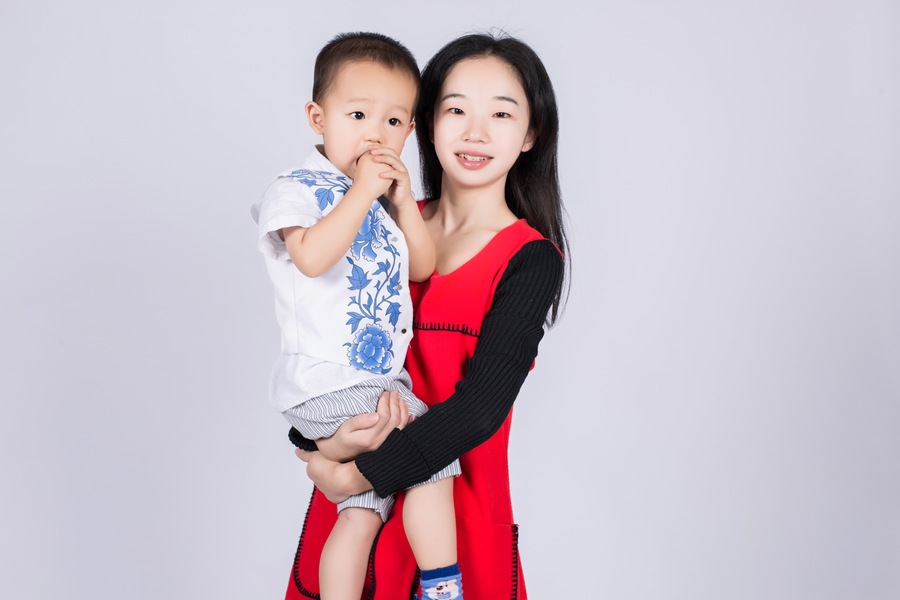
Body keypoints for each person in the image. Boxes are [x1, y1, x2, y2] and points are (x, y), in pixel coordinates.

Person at [286, 31, 570, 599]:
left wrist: (350, 473)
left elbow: (479, 409)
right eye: (456, 109)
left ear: (530, 133)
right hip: (355, 521)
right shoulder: (371, 222)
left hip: (452, 526)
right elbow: (315, 342)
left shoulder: (530, 259)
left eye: (501, 114)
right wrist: (316, 447)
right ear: (427, 124)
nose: (475, 132)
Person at [251, 32, 465, 600]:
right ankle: (444, 587)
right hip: (327, 379)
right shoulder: (296, 189)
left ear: (409, 130)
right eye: (358, 115)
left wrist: (401, 201)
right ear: (317, 118)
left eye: (393, 121)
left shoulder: (381, 199)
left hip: (372, 382)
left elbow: (423, 266)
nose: (375, 134)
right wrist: (362, 194)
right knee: (431, 446)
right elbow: (311, 256)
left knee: (363, 509)